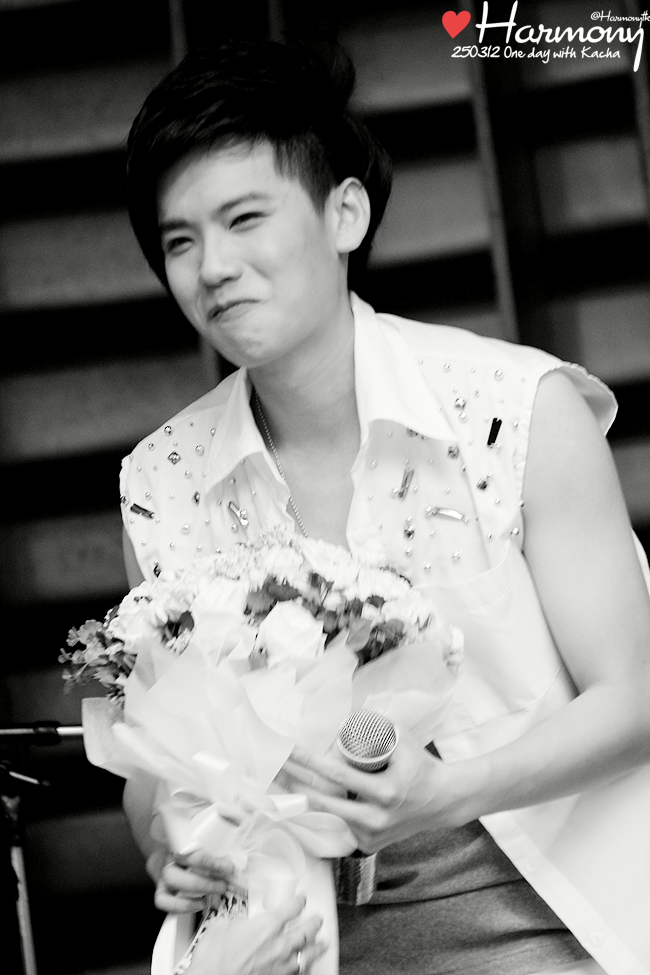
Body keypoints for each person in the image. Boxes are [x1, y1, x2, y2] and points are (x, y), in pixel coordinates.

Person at [119, 39, 650, 975]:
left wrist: (447, 792)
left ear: (346, 213)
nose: (213, 267)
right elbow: (155, 764)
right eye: (181, 242)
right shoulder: (162, 481)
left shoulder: (516, 410)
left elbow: (636, 697)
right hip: (294, 937)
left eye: (245, 218)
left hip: (547, 921)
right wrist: (168, 841)